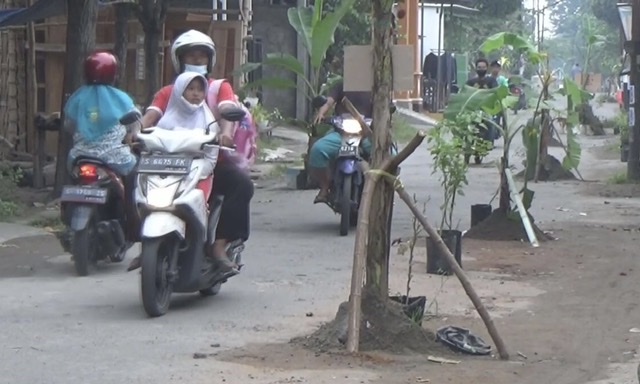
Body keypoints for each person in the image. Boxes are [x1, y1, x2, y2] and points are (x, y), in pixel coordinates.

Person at [128, 29, 253, 273]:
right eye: (191, 56)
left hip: (206, 159)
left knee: (241, 184)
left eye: (201, 57)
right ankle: (144, 242)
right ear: (179, 59)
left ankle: (219, 244)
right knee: (134, 178)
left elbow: (228, 108)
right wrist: (136, 131)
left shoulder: (218, 88)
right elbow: (151, 115)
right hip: (166, 160)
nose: (196, 61)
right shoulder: (169, 91)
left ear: (210, 61)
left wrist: (225, 133)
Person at [63, 51, 140, 242]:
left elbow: (68, 126)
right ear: (113, 73)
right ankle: (133, 223)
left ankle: (67, 216)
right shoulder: (121, 98)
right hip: (114, 158)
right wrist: (132, 134)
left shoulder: (77, 98)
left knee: (71, 176)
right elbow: (135, 122)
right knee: (136, 172)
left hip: (80, 157)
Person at [309, 80, 373, 203]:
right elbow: (328, 102)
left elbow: (384, 107)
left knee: (389, 154)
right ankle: (325, 186)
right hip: (342, 132)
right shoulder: (341, 84)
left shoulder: (375, 85)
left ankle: (380, 189)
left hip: (367, 134)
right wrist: (321, 113)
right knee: (318, 149)